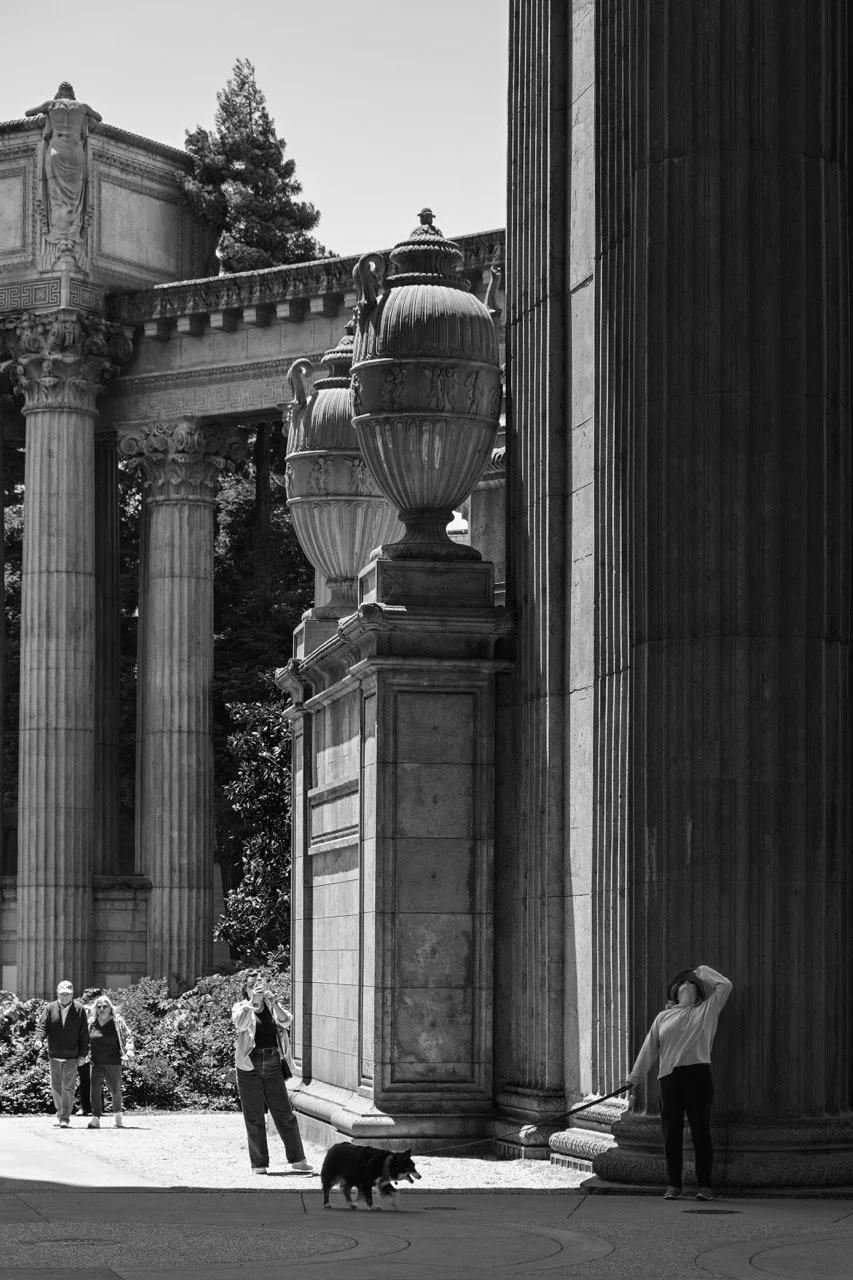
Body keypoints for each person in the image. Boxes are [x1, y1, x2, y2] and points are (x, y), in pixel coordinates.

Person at [625, 964, 732, 1201]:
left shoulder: (706, 1010)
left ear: (699, 992)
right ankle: (674, 1184)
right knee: (671, 1133)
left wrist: (702, 971)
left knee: (700, 1132)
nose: (687, 984)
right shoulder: (663, 1017)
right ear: (674, 993)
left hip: (698, 1075)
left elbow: (725, 985)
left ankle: (705, 1186)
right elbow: (648, 1049)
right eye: (682, 983)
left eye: (692, 983)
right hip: (669, 1079)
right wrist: (634, 1079)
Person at [231, 972, 313, 1176]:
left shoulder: (270, 1007)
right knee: (254, 1115)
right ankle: (259, 1164)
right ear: (246, 989)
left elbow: (286, 1022)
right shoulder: (241, 1007)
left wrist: (274, 1002)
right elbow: (240, 1024)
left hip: (273, 1062)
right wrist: (252, 1002)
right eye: (252, 986)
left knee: (284, 1112)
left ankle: (298, 1159)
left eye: (259, 985)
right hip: (249, 1064)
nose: (256, 988)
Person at [35, 980, 90, 1127]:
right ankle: (60, 1113)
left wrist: (83, 1054)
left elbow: (84, 1033)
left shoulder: (79, 1009)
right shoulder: (50, 1008)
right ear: (57, 993)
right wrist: (38, 1040)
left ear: (72, 994)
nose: (64, 997)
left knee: (68, 1087)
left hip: (72, 1055)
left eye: (67, 994)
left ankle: (65, 1117)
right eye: (61, 994)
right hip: (54, 1054)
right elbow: (42, 1027)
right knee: (56, 1087)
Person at [86, 995, 134, 1129]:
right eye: (99, 1006)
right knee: (94, 1090)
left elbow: (127, 1036)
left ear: (110, 1008)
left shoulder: (117, 1021)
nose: (102, 1009)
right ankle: (95, 1118)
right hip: (96, 1062)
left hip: (113, 1061)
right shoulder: (91, 1023)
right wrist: (83, 1054)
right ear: (95, 1009)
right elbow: (86, 1041)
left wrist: (129, 1051)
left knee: (115, 1090)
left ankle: (118, 1116)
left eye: (105, 1006)